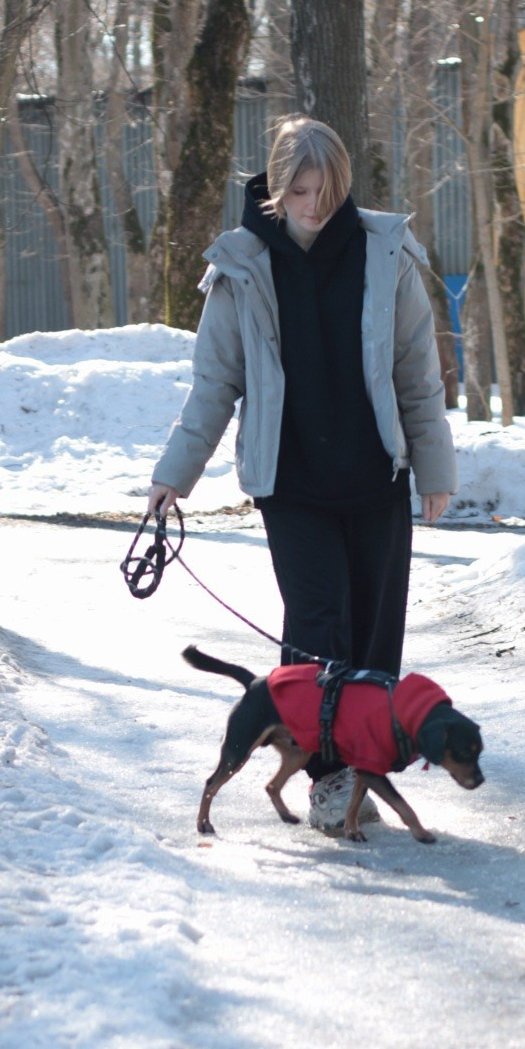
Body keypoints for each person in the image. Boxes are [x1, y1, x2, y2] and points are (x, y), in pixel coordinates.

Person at [149, 115, 455, 830]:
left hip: (376, 477)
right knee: (318, 633)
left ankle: (361, 775)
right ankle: (324, 777)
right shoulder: (243, 264)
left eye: (326, 191)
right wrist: (175, 474)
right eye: (301, 192)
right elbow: (213, 383)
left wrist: (434, 468)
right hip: (291, 485)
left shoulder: (386, 251)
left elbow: (418, 372)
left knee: (375, 640)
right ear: (277, 190)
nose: (314, 207)